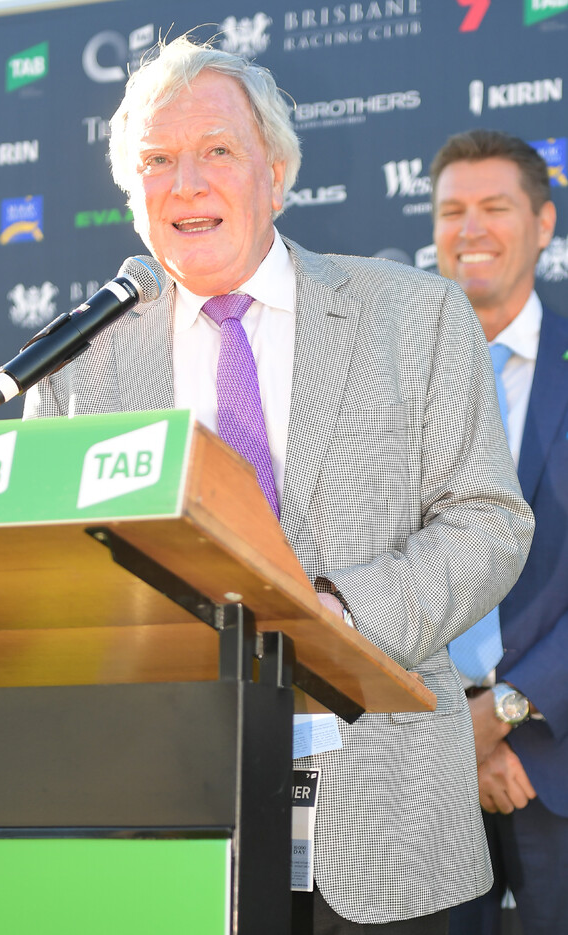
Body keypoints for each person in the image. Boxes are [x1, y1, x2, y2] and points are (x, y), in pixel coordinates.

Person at [24, 38, 534, 933]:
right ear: (132, 195)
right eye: (157, 160)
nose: (186, 183)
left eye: (217, 150)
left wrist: (341, 614)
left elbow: (488, 522)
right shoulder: (79, 363)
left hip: (385, 823)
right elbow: (51, 571)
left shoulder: (414, 315)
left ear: (278, 173)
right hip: (165, 817)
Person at [431, 129, 568, 935]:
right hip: (424, 769)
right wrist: (459, 727)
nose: (471, 228)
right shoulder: (396, 383)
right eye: (452, 210)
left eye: (494, 207)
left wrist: (508, 710)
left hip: (553, 756)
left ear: (544, 224)